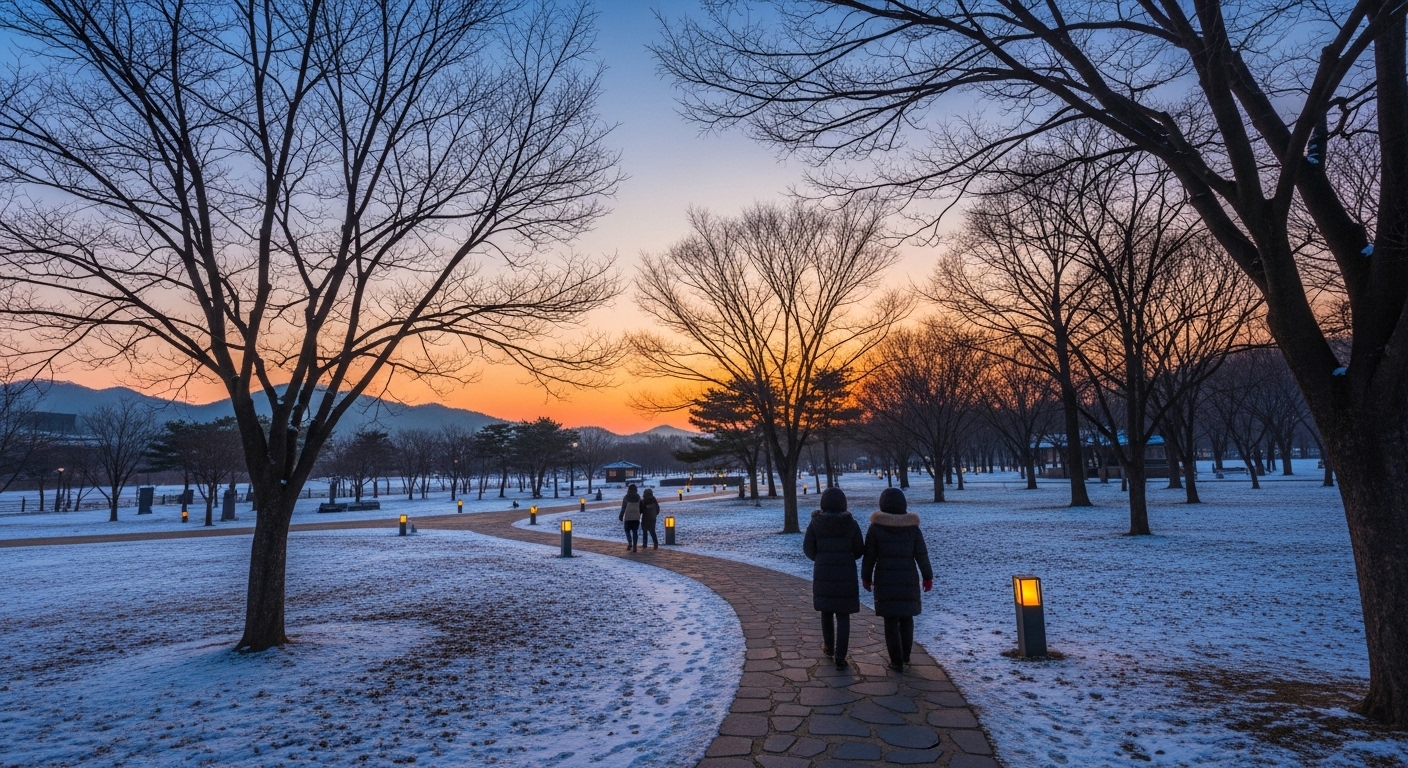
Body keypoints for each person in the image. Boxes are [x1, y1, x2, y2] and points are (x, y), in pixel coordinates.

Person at [862, 488, 933, 671]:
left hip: (885, 579)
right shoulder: (912, 528)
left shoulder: (876, 527)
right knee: (907, 617)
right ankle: (906, 654)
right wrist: (927, 577)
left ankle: (896, 660)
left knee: (891, 621)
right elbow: (921, 555)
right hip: (908, 578)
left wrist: (866, 577)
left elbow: (869, 556)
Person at [803, 487, 864, 670]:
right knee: (843, 615)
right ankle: (840, 655)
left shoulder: (816, 523)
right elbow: (860, 549)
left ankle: (829, 648)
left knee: (826, 611)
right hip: (846, 573)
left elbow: (808, 548)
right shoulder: (850, 523)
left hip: (823, 572)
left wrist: (820, 558)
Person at [619, 484, 643, 552]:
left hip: (628, 517)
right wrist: (639, 513)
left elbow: (623, 507)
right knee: (635, 531)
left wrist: (621, 515)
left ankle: (630, 543)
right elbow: (640, 507)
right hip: (636, 517)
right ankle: (635, 545)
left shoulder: (626, 497)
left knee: (627, 530)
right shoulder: (638, 497)